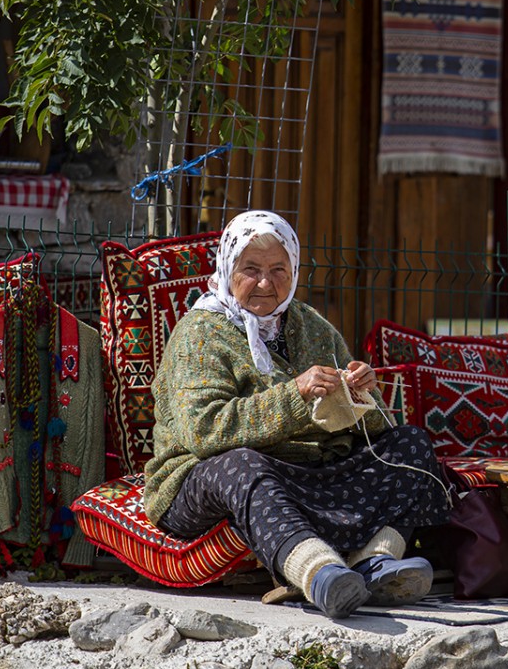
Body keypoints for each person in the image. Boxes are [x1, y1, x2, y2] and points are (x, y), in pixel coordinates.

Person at [143, 210, 450, 618]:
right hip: (205, 481)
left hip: (307, 472)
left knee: (411, 445)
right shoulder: (200, 334)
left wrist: (361, 395)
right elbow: (204, 432)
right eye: (250, 269)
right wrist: (296, 394)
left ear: (294, 270)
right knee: (242, 465)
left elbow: (370, 431)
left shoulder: (311, 326)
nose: (266, 283)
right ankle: (320, 575)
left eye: (278, 269)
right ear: (227, 268)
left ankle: (374, 563)